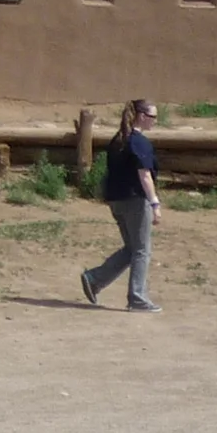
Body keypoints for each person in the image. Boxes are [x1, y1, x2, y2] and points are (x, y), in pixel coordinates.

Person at [81, 98, 164, 312]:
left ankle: (95, 279)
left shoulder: (118, 140)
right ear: (143, 117)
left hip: (115, 201)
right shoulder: (139, 142)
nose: (156, 121)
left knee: (132, 249)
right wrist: (155, 203)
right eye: (153, 117)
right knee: (142, 251)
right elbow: (144, 176)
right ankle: (137, 298)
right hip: (134, 201)